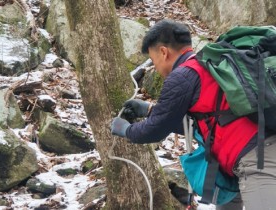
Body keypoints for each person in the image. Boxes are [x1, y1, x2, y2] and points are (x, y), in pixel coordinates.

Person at [110, 19, 276, 210]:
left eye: (154, 62)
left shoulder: (182, 76)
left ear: (164, 52)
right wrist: (149, 110)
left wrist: (125, 129)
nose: (156, 68)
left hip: (258, 160)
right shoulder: (208, 67)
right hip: (247, 159)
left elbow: (155, 130)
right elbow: (204, 120)